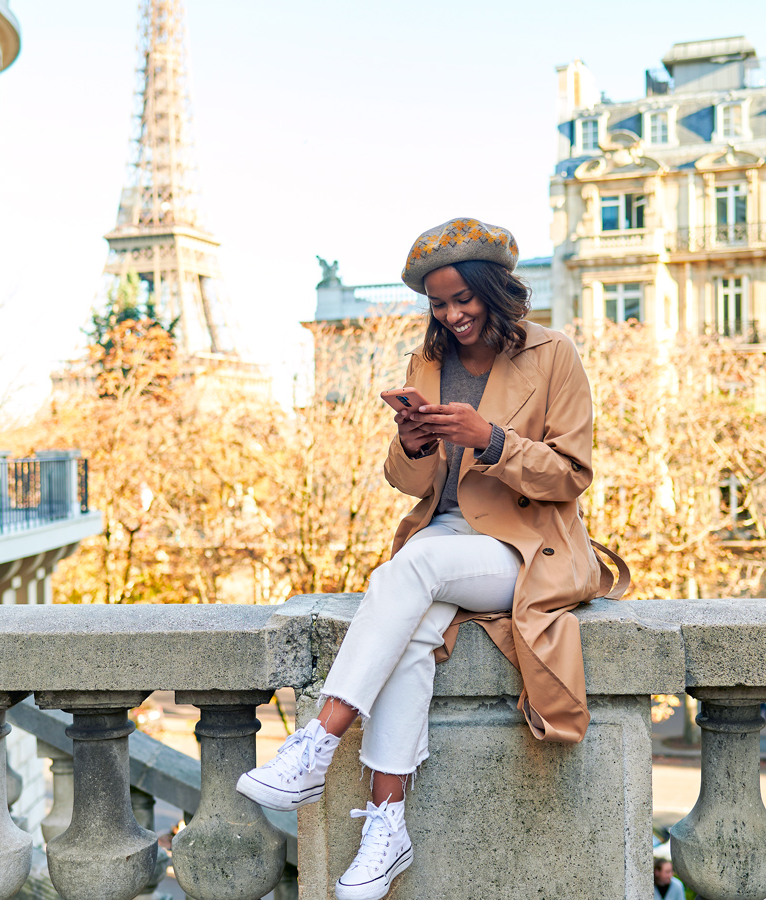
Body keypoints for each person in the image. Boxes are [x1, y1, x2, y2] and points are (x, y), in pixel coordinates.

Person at [236, 217, 626, 900]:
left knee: (408, 570)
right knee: (413, 626)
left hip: (526, 547)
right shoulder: (428, 361)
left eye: (462, 300)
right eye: (439, 303)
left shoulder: (555, 354)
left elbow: (571, 475)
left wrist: (493, 440)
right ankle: (387, 827)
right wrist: (415, 443)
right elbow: (408, 484)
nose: (451, 315)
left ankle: (321, 740)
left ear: (493, 292)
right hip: (446, 539)